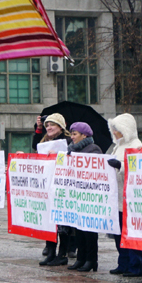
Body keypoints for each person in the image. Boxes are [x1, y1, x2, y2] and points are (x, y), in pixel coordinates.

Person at [106, 113, 142, 276]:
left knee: (131, 234)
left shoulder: (137, 145)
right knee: (119, 234)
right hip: (117, 196)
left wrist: (120, 166)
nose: (114, 132)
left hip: (130, 198)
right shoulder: (117, 146)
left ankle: (137, 266)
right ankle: (123, 263)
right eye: (113, 129)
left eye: (117, 129)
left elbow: (139, 167)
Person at [64, 122, 103, 271]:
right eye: (71, 134)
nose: (72, 137)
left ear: (84, 135)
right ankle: (81, 258)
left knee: (90, 231)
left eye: (75, 134)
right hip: (77, 196)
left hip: (90, 196)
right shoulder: (72, 149)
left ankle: (91, 259)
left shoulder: (94, 149)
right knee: (79, 229)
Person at [39, 114, 74, 266]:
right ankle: (51, 252)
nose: (49, 128)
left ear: (61, 126)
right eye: (47, 125)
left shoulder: (68, 142)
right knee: (49, 221)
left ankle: (62, 254)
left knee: (62, 224)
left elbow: (71, 162)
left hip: (62, 188)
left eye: (52, 125)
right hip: (48, 187)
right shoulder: (45, 142)